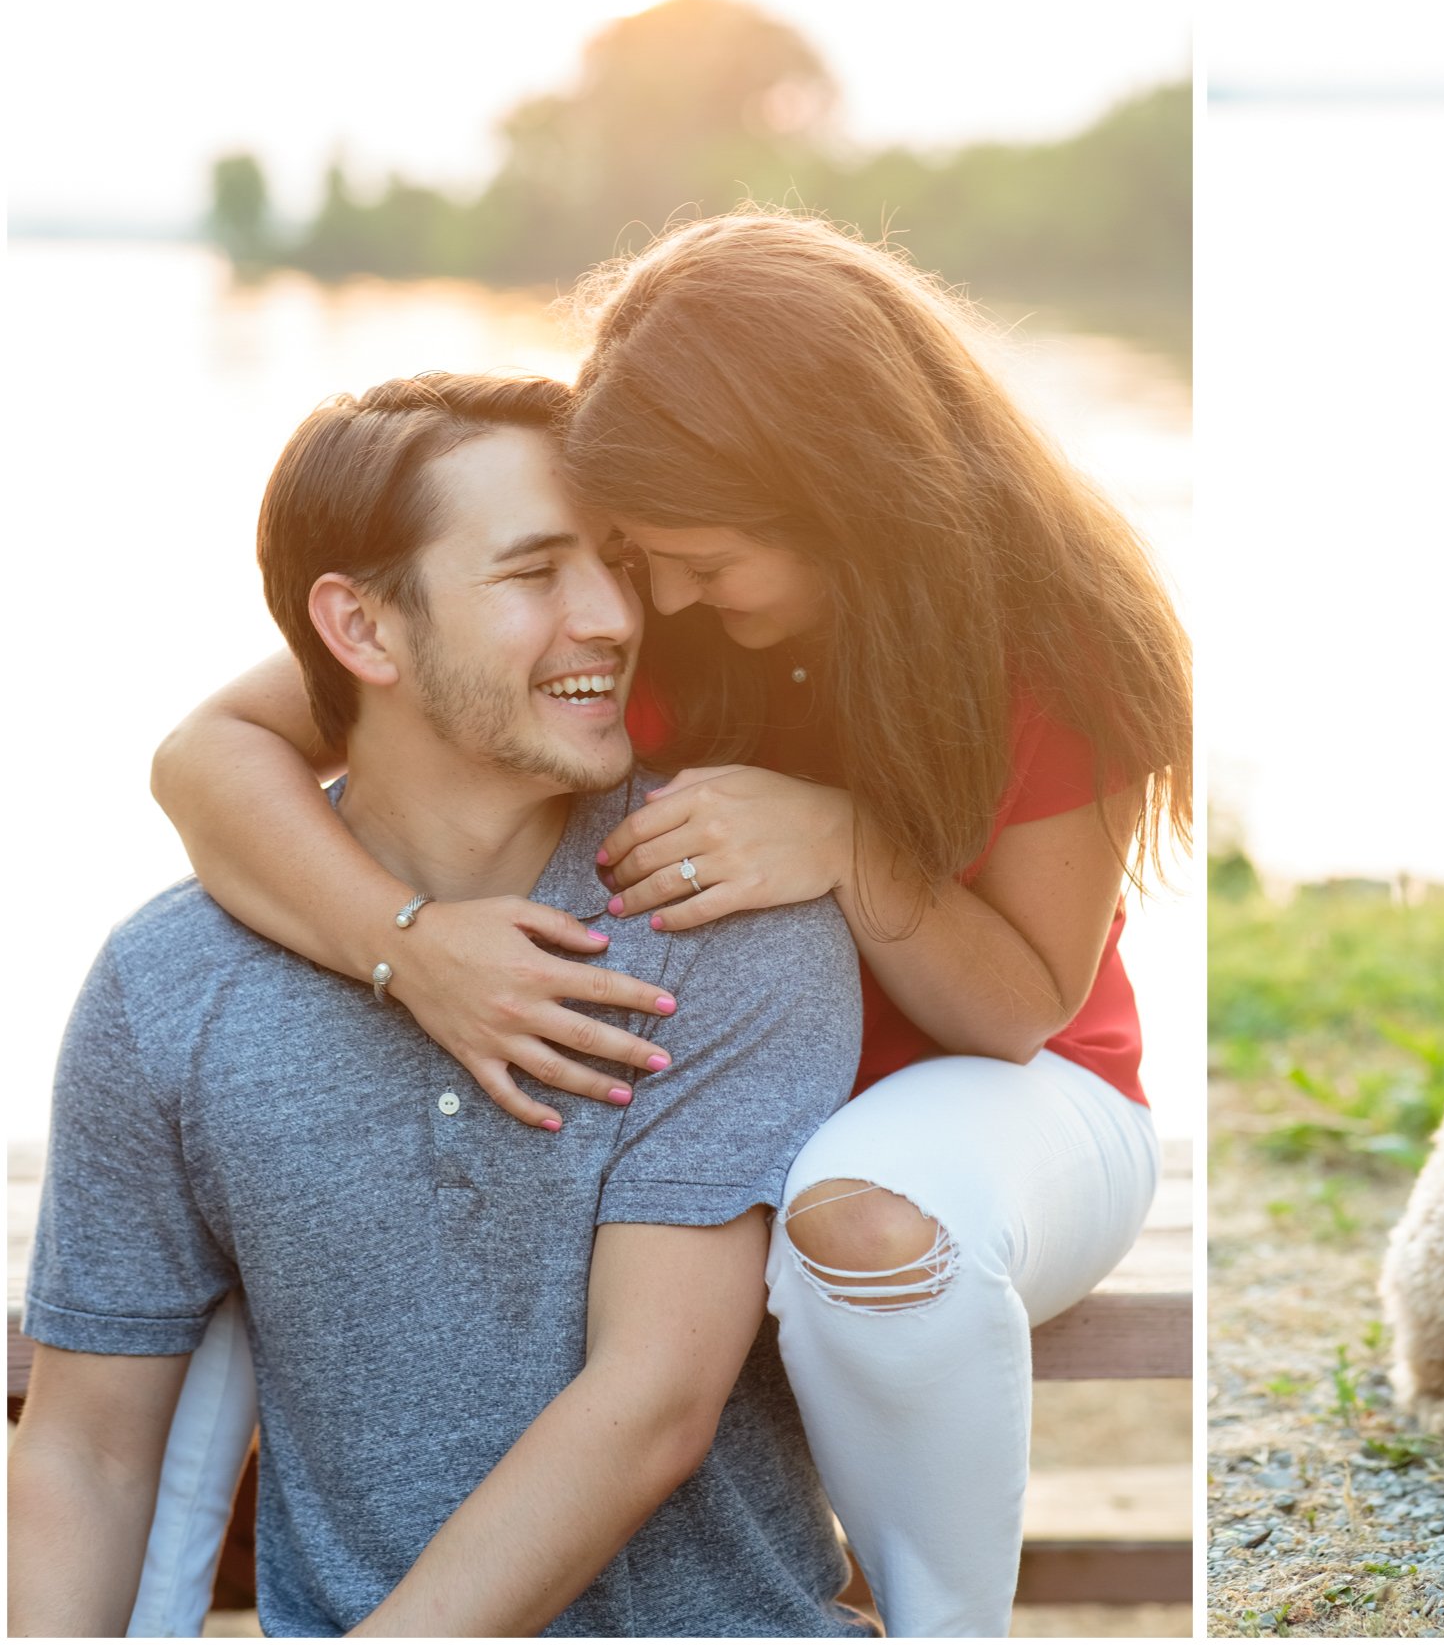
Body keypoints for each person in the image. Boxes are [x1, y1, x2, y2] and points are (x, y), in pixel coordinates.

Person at [148, 212, 1193, 1636]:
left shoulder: (1054, 627)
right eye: (644, 552)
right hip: (685, 1105)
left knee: (863, 1218)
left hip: (997, 1099)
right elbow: (207, 755)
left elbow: (1019, 1006)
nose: (661, 599)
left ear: (842, 495)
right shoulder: (637, 598)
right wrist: (412, 944)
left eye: (702, 557)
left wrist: (842, 844)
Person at [10, 375, 872, 1638]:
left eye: (616, 564)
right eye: (533, 574)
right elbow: (85, 1454)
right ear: (362, 632)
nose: (613, 617)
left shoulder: (721, 912)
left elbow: (653, 1409)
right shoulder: (169, 988)